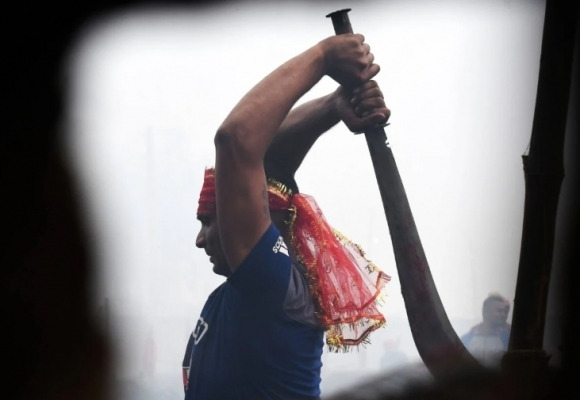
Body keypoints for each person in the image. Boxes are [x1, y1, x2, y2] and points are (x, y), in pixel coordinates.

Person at [182, 33, 391, 399]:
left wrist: (326, 56)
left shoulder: (270, 285)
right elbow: (268, 159)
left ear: (262, 219)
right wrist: (333, 105)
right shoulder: (247, 287)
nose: (200, 239)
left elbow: (236, 140)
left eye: (210, 220)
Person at [460, 292, 512, 367]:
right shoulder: (466, 339)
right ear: (485, 312)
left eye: (505, 312)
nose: (503, 314)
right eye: (499, 311)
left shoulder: (508, 339)